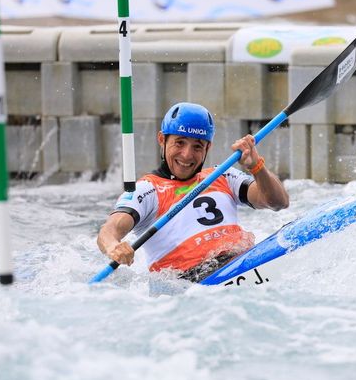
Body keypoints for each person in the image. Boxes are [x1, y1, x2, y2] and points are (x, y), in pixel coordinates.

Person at [97, 102, 289, 282]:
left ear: (208, 147)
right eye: (179, 143)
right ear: (162, 139)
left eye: (197, 146)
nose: (187, 155)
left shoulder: (223, 175)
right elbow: (109, 230)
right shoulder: (146, 190)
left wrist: (257, 167)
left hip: (241, 263)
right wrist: (114, 246)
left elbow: (278, 202)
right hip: (191, 283)